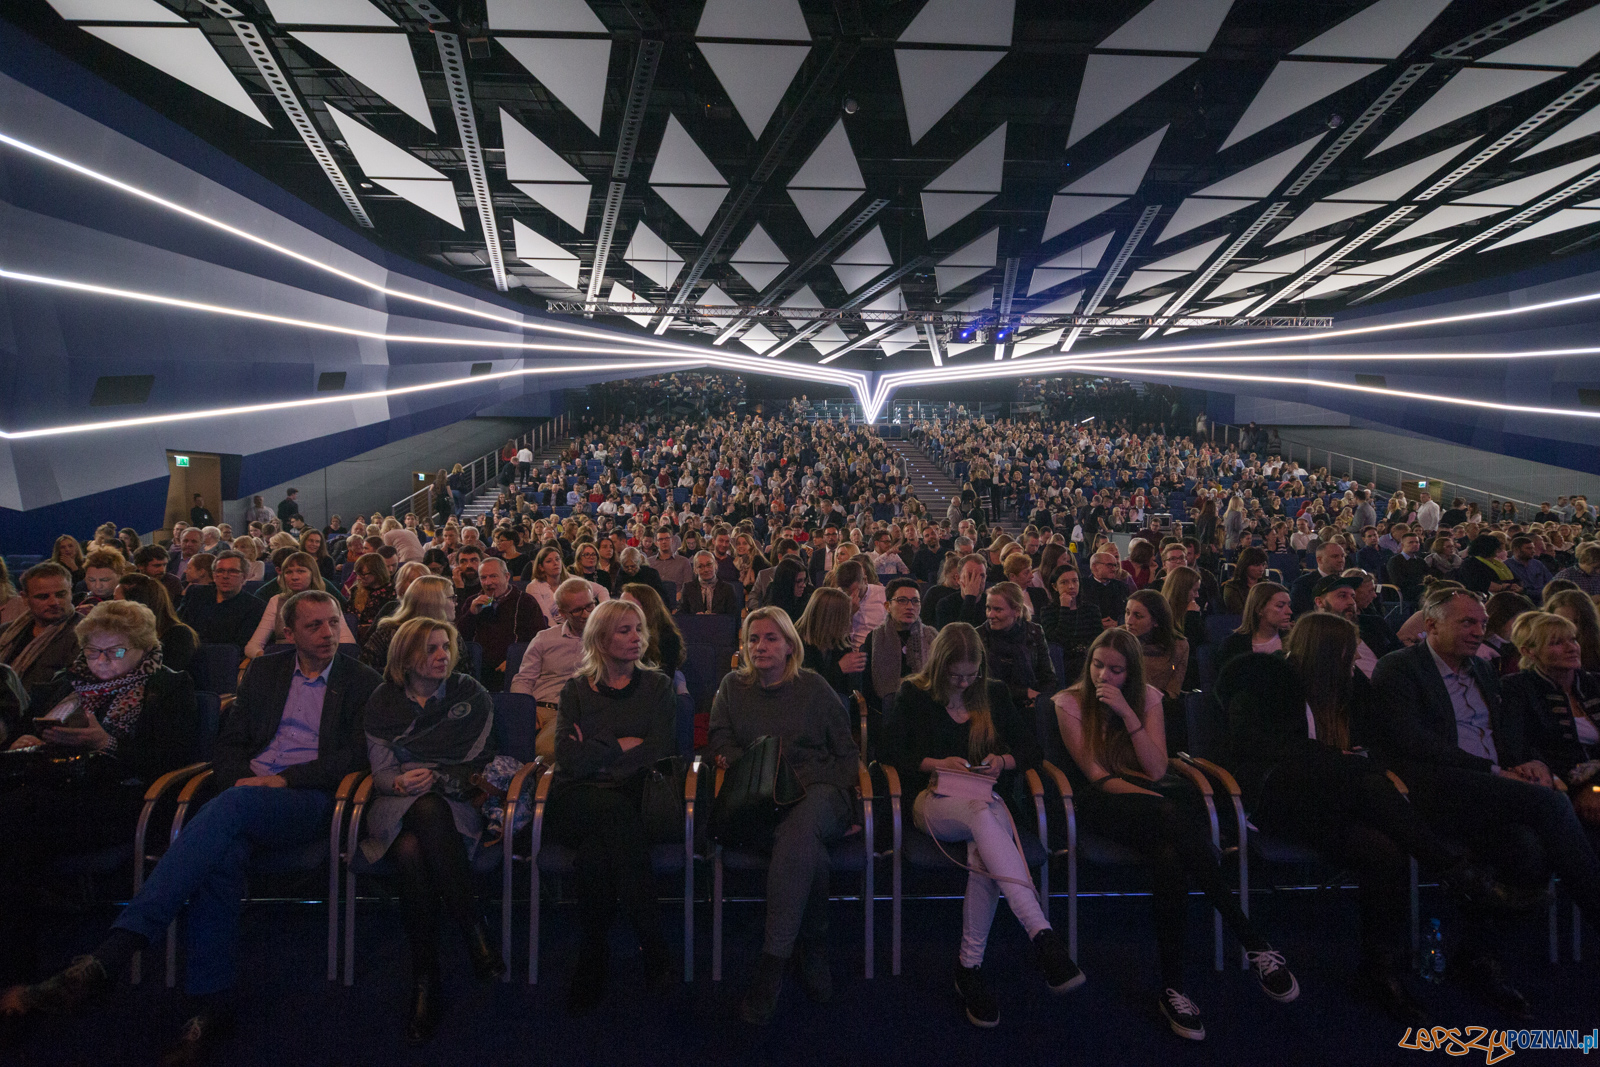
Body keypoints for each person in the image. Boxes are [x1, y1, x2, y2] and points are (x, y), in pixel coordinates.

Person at [0, 591, 381, 1063]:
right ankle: (208, 1007)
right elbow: (229, 743)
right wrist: (237, 776)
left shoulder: (362, 680)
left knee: (233, 806)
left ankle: (115, 953)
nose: (328, 634)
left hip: (308, 799)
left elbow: (356, 756)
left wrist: (281, 779)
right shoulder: (264, 671)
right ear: (289, 634)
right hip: (244, 794)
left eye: (333, 623)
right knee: (222, 857)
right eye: (315, 626)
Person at [1220, 612, 1523, 1023]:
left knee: (1384, 848)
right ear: (1328, 652)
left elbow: (1377, 741)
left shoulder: (1349, 686)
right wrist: (1329, 758)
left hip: (1338, 801)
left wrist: (1347, 760)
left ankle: (1380, 969)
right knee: (1366, 779)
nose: (1355, 661)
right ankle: (1456, 871)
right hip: (1278, 799)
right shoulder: (1263, 677)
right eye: (1348, 653)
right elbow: (1249, 742)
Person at [1054, 627, 1296, 1041]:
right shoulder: (1068, 702)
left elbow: (1156, 769)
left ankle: (1173, 988)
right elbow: (1096, 774)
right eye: (1097, 665)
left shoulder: (1148, 698)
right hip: (1098, 802)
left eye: (1115, 670)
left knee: (1169, 856)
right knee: (1173, 816)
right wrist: (1155, 802)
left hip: (1150, 801)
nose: (1103, 677)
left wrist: (1130, 716)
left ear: (1130, 673)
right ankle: (1251, 937)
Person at [1370, 587, 1600, 1017]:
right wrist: (1495, 771)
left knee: (1529, 853)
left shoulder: (1483, 670)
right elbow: (1413, 743)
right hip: (1437, 789)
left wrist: (1526, 761)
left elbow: (1503, 735)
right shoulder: (1399, 668)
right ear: (1431, 625)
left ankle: (1477, 960)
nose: (1479, 631)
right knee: (1550, 806)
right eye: (1466, 623)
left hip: (1496, 790)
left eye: (1481, 622)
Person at [887, 623, 1081, 1027]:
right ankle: (1041, 933)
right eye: (956, 675)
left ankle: (968, 967)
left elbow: (1031, 748)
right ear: (939, 667)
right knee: (982, 815)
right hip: (932, 800)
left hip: (983, 800)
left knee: (983, 850)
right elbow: (889, 752)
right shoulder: (915, 693)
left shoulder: (990, 693)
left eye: (970, 674)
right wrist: (936, 763)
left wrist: (1002, 761)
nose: (963, 682)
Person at [0, 601, 199, 983]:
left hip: (125, 800)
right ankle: (18, 972)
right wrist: (24, 739)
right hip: (52, 789)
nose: (101, 661)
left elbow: (171, 760)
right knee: (14, 832)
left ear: (143, 648)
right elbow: (26, 728)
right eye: (92, 651)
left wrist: (104, 742)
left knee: (14, 821)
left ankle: (16, 974)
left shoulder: (168, 686)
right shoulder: (66, 682)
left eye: (114, 651)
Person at [708, 607, 860, 1025]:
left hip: (821, 791)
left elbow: (847, 753)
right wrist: (761, 766)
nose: (760, 646)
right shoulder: (732, 687)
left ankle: (772, 963)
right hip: (761, 797)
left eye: (771, 638)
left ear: (790, 644)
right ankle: (812, 944)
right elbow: (718, 740)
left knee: (802, 824)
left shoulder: (813, 686)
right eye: (753, 638)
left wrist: (822, 785)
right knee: (806, 848)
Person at [361, 618, 503, 1044]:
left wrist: (432, 778)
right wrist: (401, 782)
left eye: (446, 647)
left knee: (411, 847)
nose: (443, 656)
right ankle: (471, 925)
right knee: (414, 823)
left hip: (456, 801)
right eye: (431, 649)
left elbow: (478, 762)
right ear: (406, 658)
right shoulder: (382, 702)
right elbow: (381, 773)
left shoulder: (469, 694)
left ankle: (426, 978)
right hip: (395, 802)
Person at [544, 599, 677, 1014]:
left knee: (596, 858)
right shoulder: (576, 689)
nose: (636, 637)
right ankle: (652, 943)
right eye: (624, 630)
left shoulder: (658, 688)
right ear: (600, 639)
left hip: (633, 796)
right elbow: (567, 757)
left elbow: (658, 750)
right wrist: (619, 745)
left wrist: (596, 753)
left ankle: (593, 954)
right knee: (613, 815)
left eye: (639, 629)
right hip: (575, 800)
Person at [1502, 612, 1600, 831]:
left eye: (1573, 639)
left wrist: (1595, 787)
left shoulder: (1594, 683)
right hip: (1559, 785)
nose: (1571, 647)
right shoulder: (1518, 688)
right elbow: (1519, 747)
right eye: (1556, 642)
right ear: (1529, 651)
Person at [509, 578, 597, 759]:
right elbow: (523, 680)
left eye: (590, 606)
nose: (587, 614)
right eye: (577, 610)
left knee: (546, 750)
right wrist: (526, 710)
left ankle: (531, 784)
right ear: (563, 613)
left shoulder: (604, 640)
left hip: (569, 712)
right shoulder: (545, 639)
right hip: (538, 708)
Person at [455, 558, 547, 690]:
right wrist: (471, 613)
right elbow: (460, 639)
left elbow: (538, 638)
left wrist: (515, 659)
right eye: (483, 578)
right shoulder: (473, 602)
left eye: (493, 576)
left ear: (507, 576)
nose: (488, 583)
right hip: (478, 668)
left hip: (515, 667)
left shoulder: (525, 601)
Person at [243, 552, 354, 660]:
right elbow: (252, 646)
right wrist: (270, 660)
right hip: (283, 662)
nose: (294, 577)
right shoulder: (276, 601)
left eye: (301, 571)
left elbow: (348, 644)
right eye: (289, 572)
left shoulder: (328, 602)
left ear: (312, 574)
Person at [0, 564, 84, 691]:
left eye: (61, 594)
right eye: (43, 597)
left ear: (71, 592)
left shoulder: (86, 634)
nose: (54, 602)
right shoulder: (5, 632)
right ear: (25, 598)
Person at [862, 577, 934, 718]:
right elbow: (868, 685)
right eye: (902, 600)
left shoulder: (931, 636)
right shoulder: (875, 638)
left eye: (915, 601)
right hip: (886, 706)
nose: (909, 606)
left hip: (925, 702)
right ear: (888, 606)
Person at [978, 582, 1055, 709]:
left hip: (1032, 704)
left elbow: (1048, 676)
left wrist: (1040, 699)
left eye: (998, 609)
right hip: (994, 706)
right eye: (988, 608)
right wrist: (1024, 693)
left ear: (1017, 611)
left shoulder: (1034, 632)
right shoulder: (979, 636)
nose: (990, 615)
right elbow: (983, 684)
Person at [362, 576, 457, 675]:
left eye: (446, 647)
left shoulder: (450, 632)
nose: (456, 603)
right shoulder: (389, 631)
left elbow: (463, 674)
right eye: (452, 598)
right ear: (435, 602)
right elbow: (365, 670)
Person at [177, 551, 267, 653]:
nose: (225, 576)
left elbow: (239, 646)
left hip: (220, 659)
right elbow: (179, 625)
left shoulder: (255, 606)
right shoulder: (195, 593)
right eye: (220, 571)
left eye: (233, 571)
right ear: (214, 575)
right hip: (185, 653)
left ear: (244, 577)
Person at [114, 573, 198, 673]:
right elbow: (116, 661)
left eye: (116, 602)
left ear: (135, 605)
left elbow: (166, 675)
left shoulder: (178, 634)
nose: (112, 607)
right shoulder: (122, 632)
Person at [1040, 564, 1103, 685]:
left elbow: (1098, 639)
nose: (1071, 586)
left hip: (1089, 659)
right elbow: (1058, 641)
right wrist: (1065, 608)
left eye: (1075, 581)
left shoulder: (1091, 609)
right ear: (1055, 587)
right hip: (1064, 663)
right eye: (1064, 582)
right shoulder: (1048, 611)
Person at [1123, 590, 1187, 701]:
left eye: (1138, 616)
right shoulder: (1117, 639)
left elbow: (1173, 691)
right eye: (1127, 612)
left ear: (1156, 621)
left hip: (1158, 704)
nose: (1129, 621)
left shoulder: (1178, 646)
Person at [1216, 581, 1290, 674]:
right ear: (1259, 609)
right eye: (1280, 605)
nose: (1289, 611)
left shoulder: (1295, 640)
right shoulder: (1233, 645)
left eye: (1289, 605)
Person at [620, 583, 684, 680]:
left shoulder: (667, 637)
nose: (621, 610)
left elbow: (664, 679)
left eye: (628, 606)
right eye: (620, 605)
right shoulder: (617, 633)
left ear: (647, 608)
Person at [1546, 588, 1600, 671]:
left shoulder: (1596, 649)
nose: (1568, 627)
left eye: (1575, 621)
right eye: (1561, 622)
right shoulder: (1543, 649)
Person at [348, 553, 398, 644]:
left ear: (377, 572)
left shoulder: (392, 593)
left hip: (379, 640)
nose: (358, 577)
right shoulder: (355, 590)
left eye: (363, 574)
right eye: (357, 573)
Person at [1289, 540, 1346, 616]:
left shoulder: (1345, 582)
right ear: (1319, 560)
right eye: (1335, 556)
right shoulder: (1303, 584)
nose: (1341, 560)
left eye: (1342, 556)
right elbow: (1301, 614)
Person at [935, 554, 989, 629]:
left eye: (981, 576)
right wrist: (970, 597)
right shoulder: (945, 605)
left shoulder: (991, 603)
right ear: (958, 579)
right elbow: (959, 635)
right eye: (970, 575)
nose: (977, 580)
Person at [681, 551, 738, 617]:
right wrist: (694, 617)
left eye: (709, 564)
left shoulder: (728, 589)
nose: (706, 569)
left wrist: (717, 618)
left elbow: (734, 617)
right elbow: (682, 615)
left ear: (715, 565)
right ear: (695, 570)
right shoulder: (688, 588)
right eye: (700, 566)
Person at [1220, 547, 1268, 615]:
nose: (1261, 569)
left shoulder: (1265, 586)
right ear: (1245, 566)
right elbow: (1239, 612)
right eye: (1256, 565)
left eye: (1263, 565)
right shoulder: (1232, 587)